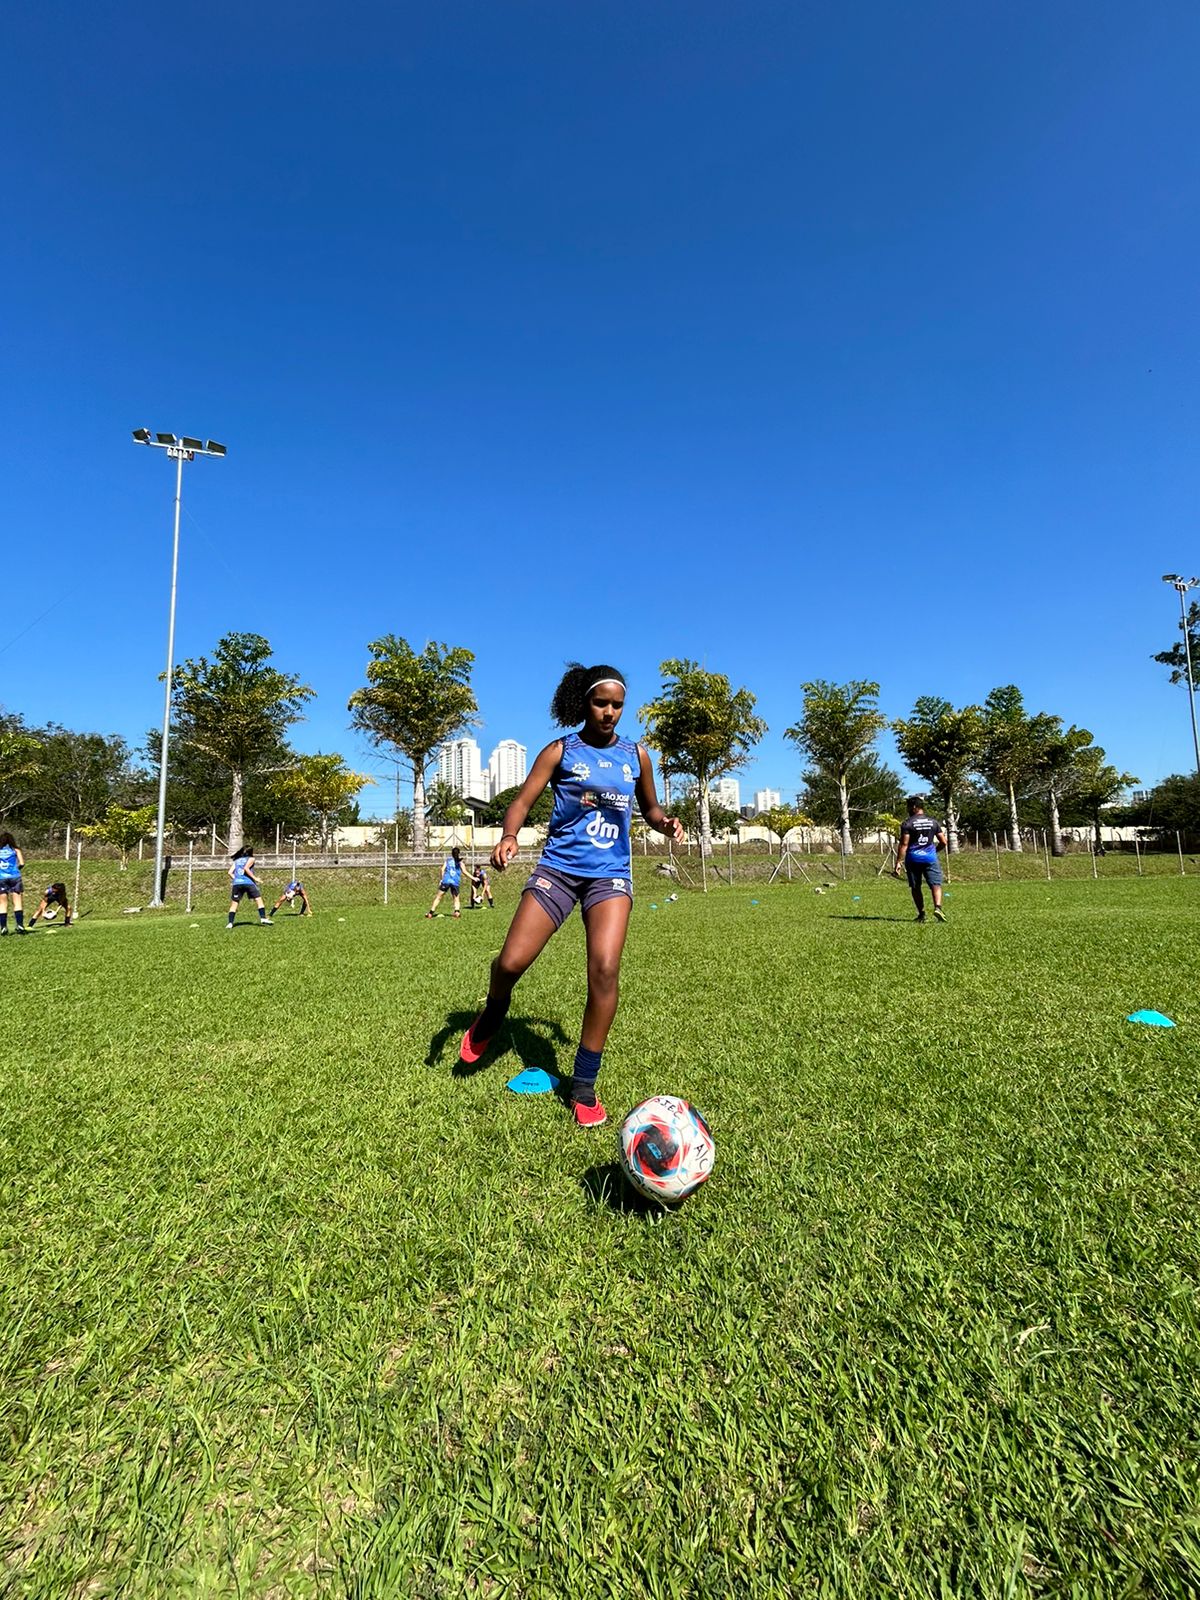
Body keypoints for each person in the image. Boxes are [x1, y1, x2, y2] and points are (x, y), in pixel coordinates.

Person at [459, 662, 683, 1127]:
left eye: (617, 705)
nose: (609, 713)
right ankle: (493, 1014)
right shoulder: (560, 751)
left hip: (610, 877)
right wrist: (509, 835)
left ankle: (583, 1084)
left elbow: (650, 805)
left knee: (604, 970)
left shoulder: (636, 755)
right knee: (510, 962)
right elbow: (521, 802)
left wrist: (663, 823)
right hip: (558, 871)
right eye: (601, 703)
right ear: (584, 702)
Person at [893, 796, 948, 923]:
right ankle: (938, 908)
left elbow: (904, 844)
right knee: (936, 884)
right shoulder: (933, 822)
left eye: (908, 806)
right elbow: (944, 842)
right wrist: (934, 851)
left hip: (913, 858)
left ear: (913, 807)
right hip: (930, 858)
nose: (907, 809)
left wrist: (899, 862)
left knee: (916, 887)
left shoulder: (908, 823)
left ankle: (921, 914)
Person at [226, 846, 273, 929]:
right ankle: (263, 918)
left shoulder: (237, 860)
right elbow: (246, 868)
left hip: (237, 884)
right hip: (248, 882)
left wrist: (237, 879)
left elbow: (229, 872)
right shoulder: (251, 859)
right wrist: (256, 879)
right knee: (258, 899)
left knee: (234, 904)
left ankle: (230, 923)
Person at [426, 847, 464, 919]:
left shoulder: (448, 861)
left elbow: (442, 869)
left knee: (439, 897)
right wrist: (473, 878)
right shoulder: (460, 862)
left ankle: (430, 913)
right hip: (455, 882)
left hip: (446, 881)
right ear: (459, 853)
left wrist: (441, 879)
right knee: (456, 898)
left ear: (452, 854)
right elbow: (465, 872)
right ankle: (457, 912)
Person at [0, 832, 26, 935]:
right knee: (18, 902)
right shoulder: (16, 849)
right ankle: (20, 925)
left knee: (2, 904)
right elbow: (22, 863)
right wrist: (16, 869)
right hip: (15, 877)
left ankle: (3, 927)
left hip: (1, 878)